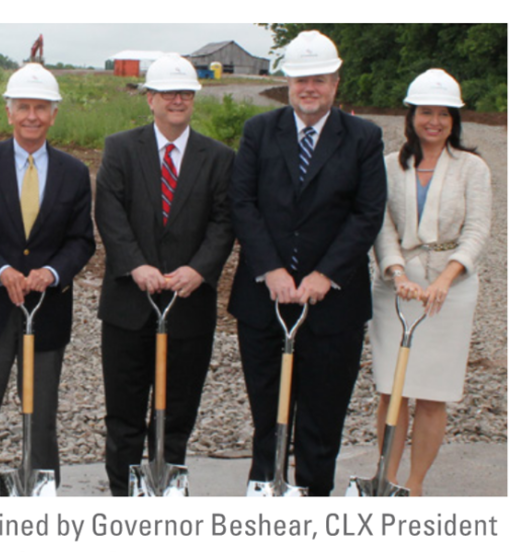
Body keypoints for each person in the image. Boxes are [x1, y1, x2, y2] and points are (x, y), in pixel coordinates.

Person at [228, 30, 386, 496]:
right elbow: (242, 202)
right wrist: (271, 268)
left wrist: (325, 274)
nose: (309, 88)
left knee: (321, 425)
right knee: (268, 420)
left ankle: (314, 507)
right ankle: (267, 501)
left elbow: (367, 213)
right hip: (264, 302)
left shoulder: (363, 138)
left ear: (336, 83)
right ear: (288, 84)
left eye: (319, 79)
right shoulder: (260, 131)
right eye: (300, 80)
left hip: (332, 308)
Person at [0, 64, 95, 496]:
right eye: (23, 107)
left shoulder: (73, 171)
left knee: (41, 415)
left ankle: (39, 497)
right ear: (8, 112)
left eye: (41, 108)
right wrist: (1, 270)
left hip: (46, 310)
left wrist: (52, 273)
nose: (32, 116)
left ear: (54, 114)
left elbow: (81, 240)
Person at [96, 54, 234, 496]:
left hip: (189, 304)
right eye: (168, 93)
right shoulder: (120, 148)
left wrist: (200, 269)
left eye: (185, 94)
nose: (178, 100)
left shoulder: (218, 158)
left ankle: (165, 492)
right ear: (149, 99)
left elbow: (224, 220)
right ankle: (123, 495)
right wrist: (135, 263)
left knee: (177, 411)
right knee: (124, 413)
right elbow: (110, 212)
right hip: (128, 305)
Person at [369, 69, 491, 496]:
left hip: (450, 291)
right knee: (392, 388)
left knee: (433, 392)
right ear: (411, 116)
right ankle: (388, 479)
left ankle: (415, 486)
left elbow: (477, 230)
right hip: (395, 289)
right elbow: (381, 227)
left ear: (455, 119)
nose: (434, 121)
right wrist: (396, 272)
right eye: (425, 112)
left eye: (443, 113)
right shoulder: (387, 165)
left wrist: (446, 277)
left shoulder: (471, 168)